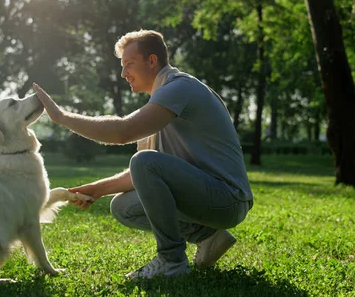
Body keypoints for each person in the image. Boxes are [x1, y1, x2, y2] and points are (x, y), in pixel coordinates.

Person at [32, 29, 253, 279]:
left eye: (129, 64)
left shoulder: (179, 88)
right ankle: (209, 237)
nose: (123, 73)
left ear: (152, 61)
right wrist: (98, 189)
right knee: (123, 206)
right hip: (208, 197)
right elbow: (145, 174)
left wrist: (62, 117)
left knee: (143, 161)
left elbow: (123, 132)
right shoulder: (160, 103)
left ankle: (171, 260)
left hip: (228, 199)